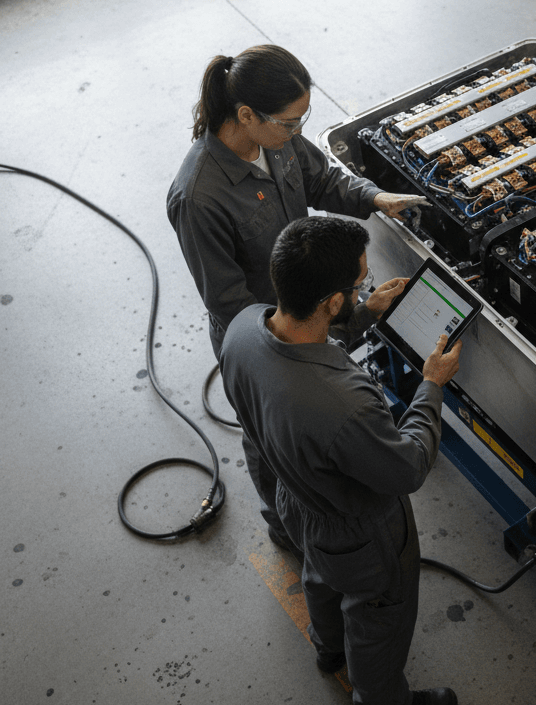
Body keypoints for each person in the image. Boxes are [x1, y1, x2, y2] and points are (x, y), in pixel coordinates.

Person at [167, 44, 428, 552]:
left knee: (318, 433)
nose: (297, 132)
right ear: (246, 115)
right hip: (263, 343)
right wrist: (336, 327)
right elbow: (231, 306)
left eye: (302, 119)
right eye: (290, 123)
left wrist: (374, 198)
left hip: (309, 318)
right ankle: (286, 531)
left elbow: (322, 178)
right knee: (274, 445)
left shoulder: (277, 142)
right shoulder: (198, 197)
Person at [219, 216, 461, 705]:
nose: (365, 290)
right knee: (378, 617)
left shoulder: (243, 329)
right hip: (360, 531)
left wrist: (363, 315)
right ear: (331, 301)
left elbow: (299, 354)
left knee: (320, 574)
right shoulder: (343, 405)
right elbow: (408, 466)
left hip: (296, 498)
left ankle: (328, 649)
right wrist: (431, 387)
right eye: (359, 286)